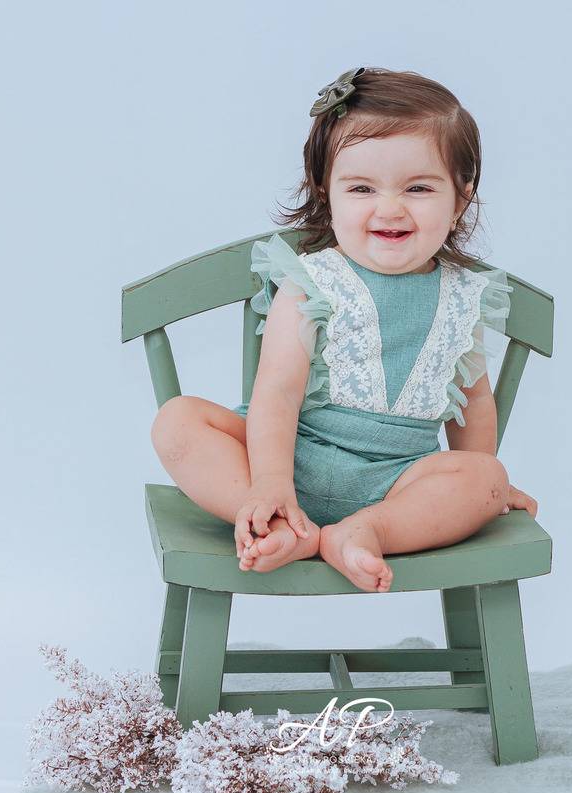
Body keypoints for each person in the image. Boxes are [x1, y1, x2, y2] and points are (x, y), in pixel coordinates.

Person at [151, 67, 537, 593]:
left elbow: (474, 401)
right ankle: (276, 518)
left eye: (419, 187)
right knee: (177, 421)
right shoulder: (311, 283)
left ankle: (364, 530)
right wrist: (271, 481)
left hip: (400, 480)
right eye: (361, 188)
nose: (390, 208)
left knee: (486, 478)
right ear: (326, 193)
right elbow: (277, 393)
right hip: (290, 458)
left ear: (460, 200)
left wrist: (481, 484)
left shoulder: (464, 298)